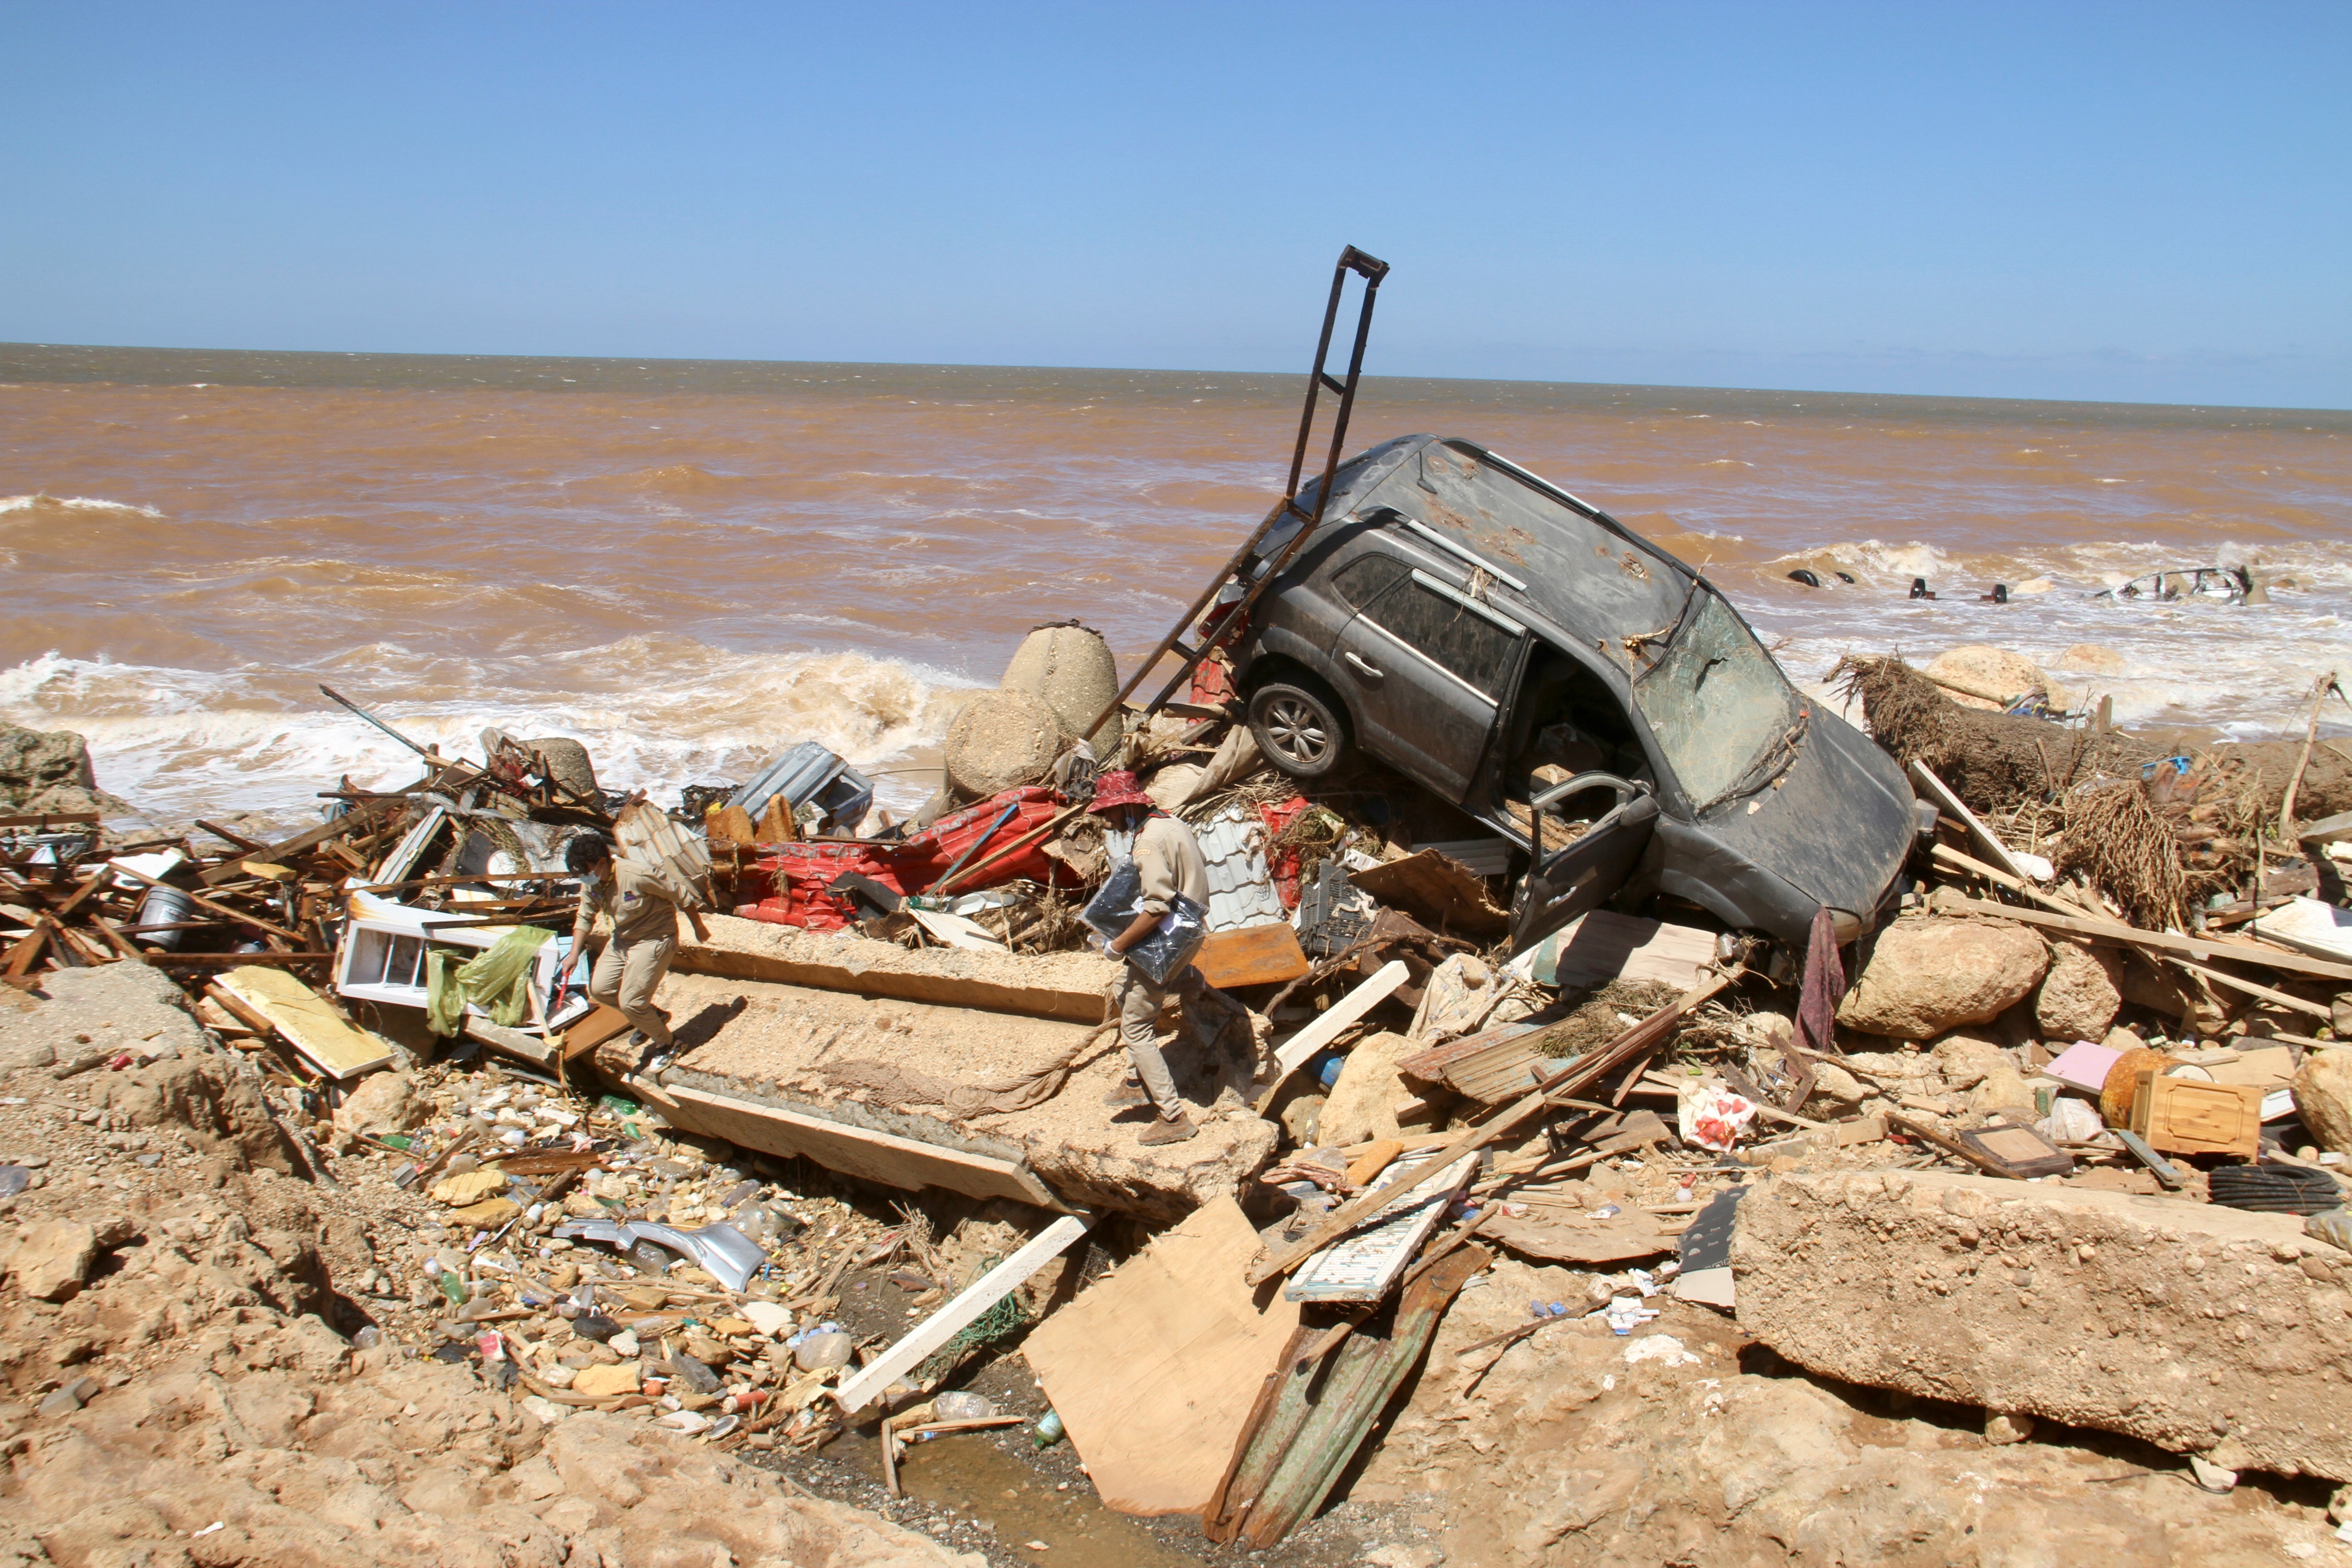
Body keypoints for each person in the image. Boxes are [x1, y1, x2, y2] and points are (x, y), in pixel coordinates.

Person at [1089, 769, 1215, 1147]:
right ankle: (1134, 1082)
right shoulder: (1170, 823)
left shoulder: (1146, 843)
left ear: (1127, 807)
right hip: (1190, 928)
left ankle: (1173, 1116)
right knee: (1124, 991)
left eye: (1110, 814)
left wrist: (1117, 945)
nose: (1108, 822)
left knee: (1137, 1028)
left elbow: (1157, 908)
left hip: (1167, 940)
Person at [562, 830, 697, 1061]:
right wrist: (573, 954)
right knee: (600, 990)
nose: (584, 877)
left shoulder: (637, 875)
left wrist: (699, 928)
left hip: (654, 939)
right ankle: (652, 1017)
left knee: (631, 1002)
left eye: (586, 871)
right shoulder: (593, 883)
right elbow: (584, 916)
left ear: (602, 863)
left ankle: (669, 1044)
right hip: (623, 939)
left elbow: (681, 895)